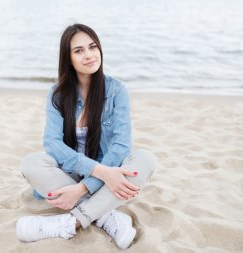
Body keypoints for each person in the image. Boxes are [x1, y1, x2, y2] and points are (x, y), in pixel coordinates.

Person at [16, 23, 156, 250]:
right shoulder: (58, 94)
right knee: (31, 163)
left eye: (92, 47)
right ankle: (106, 216)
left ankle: (72, 221)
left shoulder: (116, 90)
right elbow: (52, 143)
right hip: (70, 177)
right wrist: (96, 173)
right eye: (78, 50)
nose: (89, 55)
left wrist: (84, 187)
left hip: (107, 179)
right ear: (68, 58)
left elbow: (121, 146)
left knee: (145, 159)